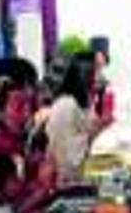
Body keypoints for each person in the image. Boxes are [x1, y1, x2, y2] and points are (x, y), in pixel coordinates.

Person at [44, 52, 114, 186]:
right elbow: (71, 157)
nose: (101, 77)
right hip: (67, 179)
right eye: (96, 72)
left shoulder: (78, 100)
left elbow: (84, 131)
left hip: (76, 172)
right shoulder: (67, 105)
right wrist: (99, 127)